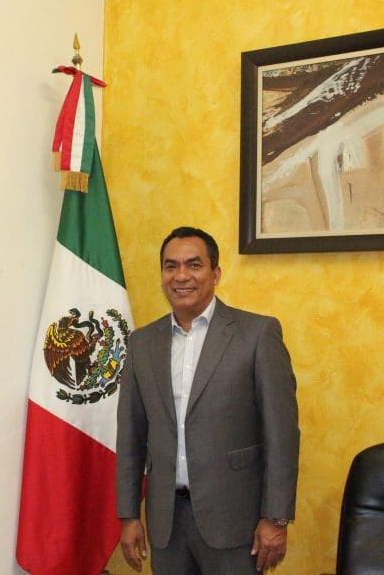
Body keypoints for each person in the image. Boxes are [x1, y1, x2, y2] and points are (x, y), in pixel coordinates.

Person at [116, 226, 299, 574]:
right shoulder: (141, 344)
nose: (181, 276)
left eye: (194, 264)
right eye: (171, 266)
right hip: (166, 524)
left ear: (215, 274)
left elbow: (282, 435)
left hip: (235, 522)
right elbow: (130, 437)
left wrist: (276, 518)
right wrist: (128, 515)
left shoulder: (257, 335)